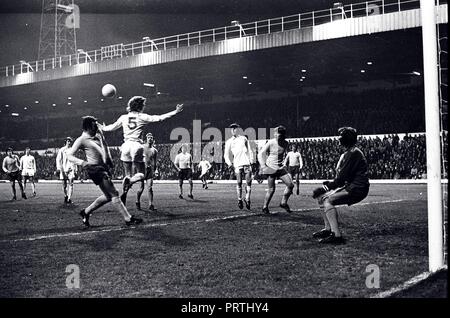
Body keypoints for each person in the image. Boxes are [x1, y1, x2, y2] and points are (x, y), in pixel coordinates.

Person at [100, 96, 183, 204]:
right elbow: (160, 117)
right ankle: (130, 181)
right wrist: (175, 111)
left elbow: (110, 128)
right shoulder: (142, 116)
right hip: (137, 146)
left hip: (125, 146)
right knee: (142, 174)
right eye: (143, 105)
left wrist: (101, 127)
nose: (144, 106)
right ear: (139, 106)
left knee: (127, 174)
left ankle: (124, 194)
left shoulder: (123, 117)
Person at [67, 116, 142, 227]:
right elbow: (69, 156)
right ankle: (128, 218)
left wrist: (109, 160)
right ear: (88, 126)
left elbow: (104, 149)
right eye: (94, 125)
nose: (97, 126)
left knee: (108, 196)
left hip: (103, 168)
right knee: (115, 193)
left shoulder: (97, 136)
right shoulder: (81, 139)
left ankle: (86, 212)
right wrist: (83, 163)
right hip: (95, 169)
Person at [312, 127, 370, 244]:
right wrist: (328, 186)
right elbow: (343, 178)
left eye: (341, 137)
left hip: (358, 189)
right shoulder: (352, 152)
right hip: (353, 186)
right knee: (321, 198)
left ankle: (336, 235)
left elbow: (341, 179)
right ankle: (328, 229)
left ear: (345, 139)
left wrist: (324, 187)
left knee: (327, 200)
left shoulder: (352, 154)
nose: (339, 139)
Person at [258, 126, 294, 214]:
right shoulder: (270, 142)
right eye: (275, 133)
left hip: (280, 168)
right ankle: (265, 207)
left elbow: (281, 155)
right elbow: (260, 154)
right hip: (270, 168)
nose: (276, 135)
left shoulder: (286, 143)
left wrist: (283, 164)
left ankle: (283, 202)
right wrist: (263, 166)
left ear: (282, 135)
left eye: (278, 133)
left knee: (290, 185)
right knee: (271, 189)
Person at [224, 123, 254, 210]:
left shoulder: (243, 138)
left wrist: (251, 160)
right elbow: (226, 155)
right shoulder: (229, 141)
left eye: (235, 128)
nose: (233, 130)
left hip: (246, 162)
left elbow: (249, 150)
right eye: (232, 128)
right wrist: (229, 163)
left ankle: (247, 199)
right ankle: (239, 199)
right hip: (237, 164)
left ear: (238, 129)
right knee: (239, 182)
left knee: (249, 182)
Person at [136, 132, 158, 211]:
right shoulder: (142, 148)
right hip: (142, 170)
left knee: (150, 188)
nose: (150, 139)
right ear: (146, 139)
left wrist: (155, 170)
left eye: (151, 137)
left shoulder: (154, 150)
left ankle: (151, 204)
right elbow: (137, 158)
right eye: (149, 137)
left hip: (149, 170)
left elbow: (155, 162)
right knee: (141, 188)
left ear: (153, 140)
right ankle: (137, 201)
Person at [56, 137, 77, 204]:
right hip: (63, 169)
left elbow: (74, 159)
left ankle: (69, 198)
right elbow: (58, 159)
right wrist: (59, 168)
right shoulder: (62, 150)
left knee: (71, 184)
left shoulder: (72, 150)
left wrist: (75, 169)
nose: (69, 142)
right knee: (64, 185)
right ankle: (66, 196)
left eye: (70, 141)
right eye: (68, 141)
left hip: (71, 169)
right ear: (66, 142)